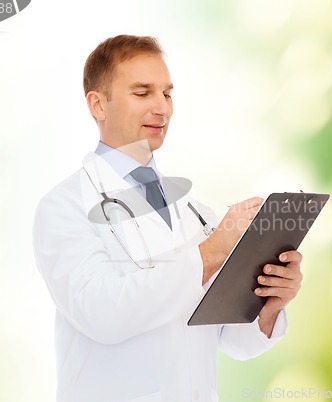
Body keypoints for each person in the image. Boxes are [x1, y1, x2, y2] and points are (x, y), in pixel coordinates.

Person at [33, 34, 303, 402]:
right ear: (98, 105)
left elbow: (230, 339)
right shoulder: (64, 207)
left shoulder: (196, 213)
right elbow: (101, 314)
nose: (162, 108)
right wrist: (209, 254)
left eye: (167, 94)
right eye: (143, 93)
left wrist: (270, 303)